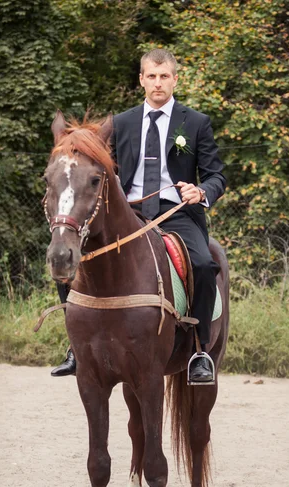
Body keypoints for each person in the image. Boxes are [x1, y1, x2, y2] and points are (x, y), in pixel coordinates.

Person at [52, 48, 226, 382]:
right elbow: (99, 167)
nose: (158, 83)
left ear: (175, 79)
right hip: (126, 214)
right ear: (142, 80)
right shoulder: (120, 123)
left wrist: (201, 192)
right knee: (69, 258)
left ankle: (200, 351)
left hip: (176, 214)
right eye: (151, 76)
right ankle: (76, 347)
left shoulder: (196, 123)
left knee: (204, 264)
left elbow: (217, 174)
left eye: (164, 77)